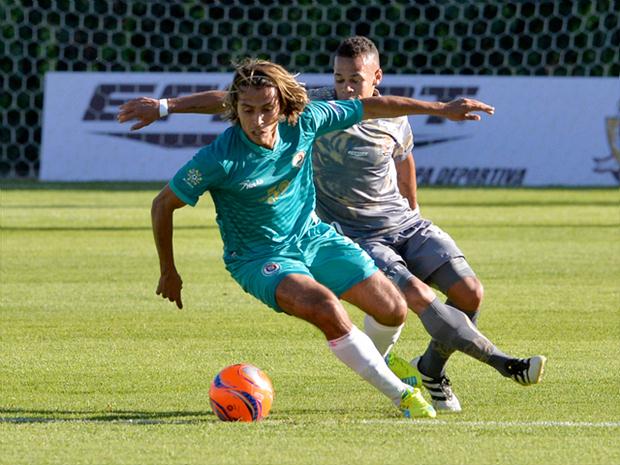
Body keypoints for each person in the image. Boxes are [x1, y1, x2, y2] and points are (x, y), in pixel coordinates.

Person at [118, 45, 546, 415]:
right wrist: (168, 270)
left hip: (314, 237)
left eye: (267, 109)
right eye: (246, 110)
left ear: (283, 106)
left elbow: (375, 107)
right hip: (260, 257)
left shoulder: (307, 119)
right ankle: (403, 395)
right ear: (235, 109)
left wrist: (441, 110)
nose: (258, 119)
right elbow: (162, 204)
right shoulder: (219, 158)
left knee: (393, 309)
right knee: (325, 305)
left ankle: (384, 362)